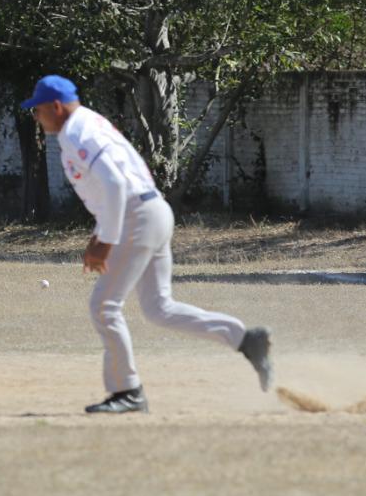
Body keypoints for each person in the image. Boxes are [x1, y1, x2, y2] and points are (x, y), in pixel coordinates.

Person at [21, 74, 273, 413]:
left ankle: (128, 391)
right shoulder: (88, 124)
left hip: (137, 215)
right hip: (150, 210)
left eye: (37, 110)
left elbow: (113, 185)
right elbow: (114, 183)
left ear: (55, 106)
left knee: (104, 306)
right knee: (159, 308)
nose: (36, 117)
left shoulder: (76, 131)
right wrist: (101, 232)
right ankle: (245, 339)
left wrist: (106, 240)